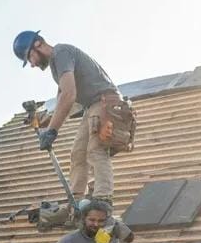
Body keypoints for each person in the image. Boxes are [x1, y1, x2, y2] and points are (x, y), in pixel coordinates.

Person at [13, 30, 124, 204]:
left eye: (30, 58)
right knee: (78, 154)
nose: (32, 64)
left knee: (95, 150)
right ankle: (78, 203)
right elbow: (63, 103)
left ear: (37, 45)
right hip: (93, 106)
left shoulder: (61, 53)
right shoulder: (56, 65)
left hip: (106, 102)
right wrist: (44, 121)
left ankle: (103, 200)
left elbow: (69, 94)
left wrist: (52, 132)